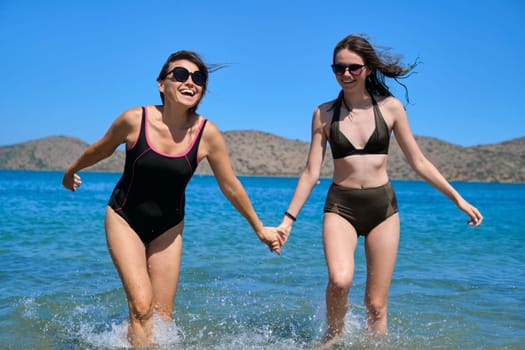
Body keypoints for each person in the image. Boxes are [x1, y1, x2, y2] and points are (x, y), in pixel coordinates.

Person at [62, 50, 282, 347]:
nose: (190, 81)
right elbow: (101, 149)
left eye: (198, 78)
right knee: (141, 306)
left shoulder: (207, 134)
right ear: (161, 84)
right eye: (180, 75)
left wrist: (259, 227)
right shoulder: (134, 119)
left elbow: (230, 185)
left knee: (162, 315)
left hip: (169, 227)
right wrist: (72, 170)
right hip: (124, 218)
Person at [276, 34, 483, 346]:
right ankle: (333, 336)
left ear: (368, 69)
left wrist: (459, 200)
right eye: (338, 68)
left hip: (382, 209)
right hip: (340, 207)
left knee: (376, 304)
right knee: (340, 280)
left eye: (353, 68)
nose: (345, 74)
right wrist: (287, 222)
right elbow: (310, 172)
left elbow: (420, 161)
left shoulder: (390, 108)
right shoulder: (323, 113)